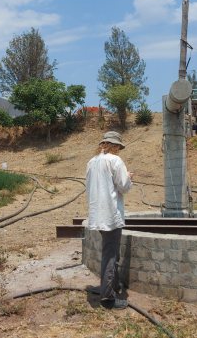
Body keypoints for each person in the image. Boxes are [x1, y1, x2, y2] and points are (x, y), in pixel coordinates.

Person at [86, 131, 133, 310]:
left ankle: (114, 285)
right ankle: (108, 299)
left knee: (111, 252)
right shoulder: (115, 161)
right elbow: (124, 186)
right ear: (115, 146)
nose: (119, 150)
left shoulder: (91, 162)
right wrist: (129, 177)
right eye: (118, 147)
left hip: (98, 214)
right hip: (111, 215)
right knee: (110, 256)